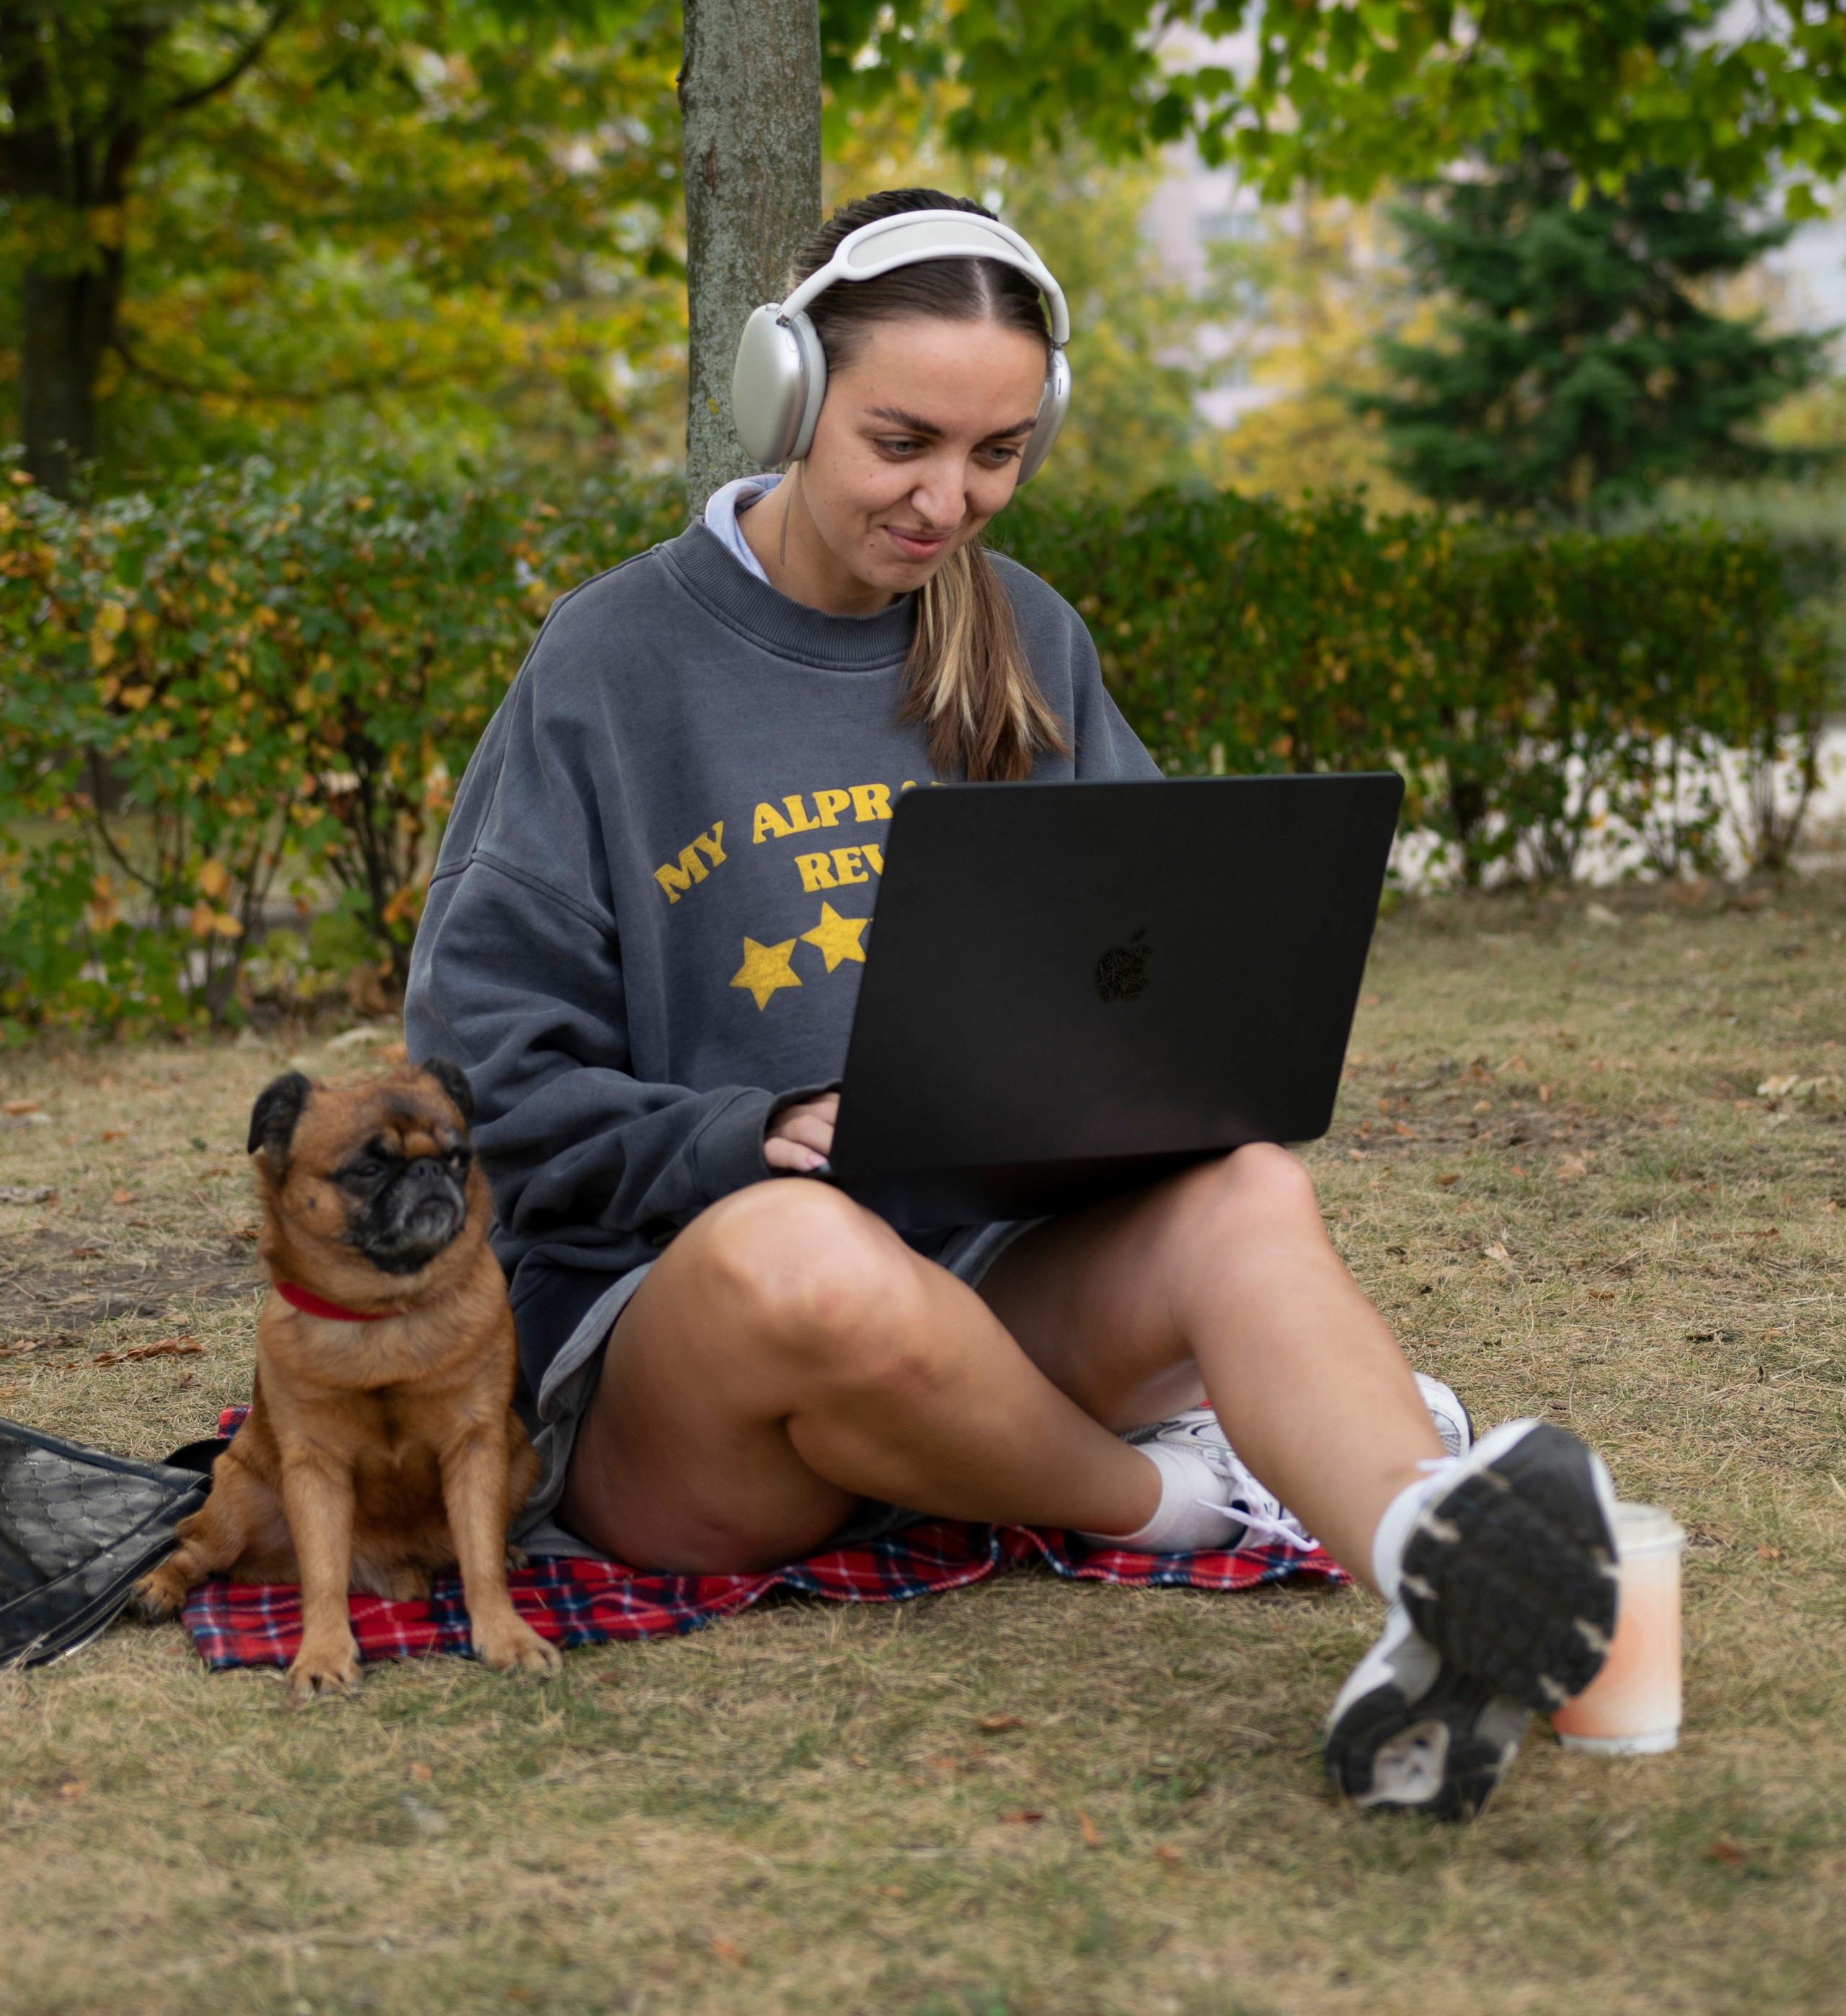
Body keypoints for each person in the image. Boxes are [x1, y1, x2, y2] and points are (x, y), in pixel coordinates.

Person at [405, 188, 1617, 1821]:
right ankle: (1191, 1509)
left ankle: (1436, 1569)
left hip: (980, 1311)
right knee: (804, 1256)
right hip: (699, 1387)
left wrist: (1142, 1094)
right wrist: (746, 1132)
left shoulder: (1024, 634)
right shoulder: (610, 666)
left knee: (1247, 1187)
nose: (944, 500)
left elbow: (1150, 980)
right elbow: (479, 1090)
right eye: (901, 440)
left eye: (997, 456)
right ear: (785, 391)